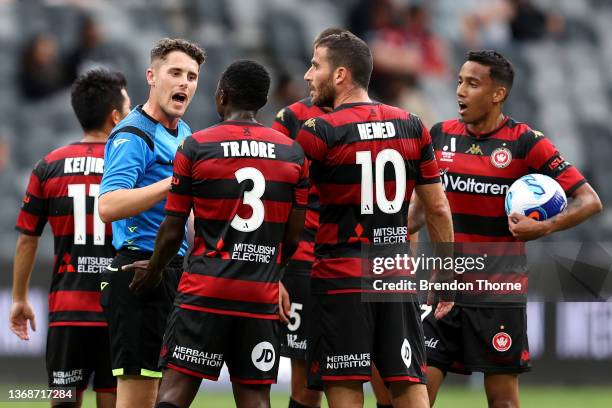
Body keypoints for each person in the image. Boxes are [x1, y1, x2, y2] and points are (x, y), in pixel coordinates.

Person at [410, 50, 602, 407]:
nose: (460, 92)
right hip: (443, 289)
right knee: (417, 392)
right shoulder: (439, 136)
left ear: (497, 94)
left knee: (503, 400)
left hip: (497, 293)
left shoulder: (526, 142)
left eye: (472, 83)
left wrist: (544, 227)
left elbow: (589, 200)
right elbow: (419, 213)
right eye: (459, 82)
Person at [126, 59, 308, 408]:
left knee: (174, 392)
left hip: (204, 292)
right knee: (255, 397)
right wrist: (271, 271)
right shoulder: (292, 153)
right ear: (263, 103)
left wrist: (154, 270)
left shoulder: (196, 147)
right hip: (259, 294)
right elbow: (294, 237)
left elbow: (172, 228)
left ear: (221, 95)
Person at [295, 32, 454, 408]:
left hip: (341, 280)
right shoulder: (413, 125)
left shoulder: (319, 132)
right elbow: (438, 208)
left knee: (346, 392)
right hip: (396, 279)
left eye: (316, 65)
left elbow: (287, 205)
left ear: (340, 75)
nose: (307, 75)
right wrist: (446, 274)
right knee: (409, 388)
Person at [11, 68, 131, 408]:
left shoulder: (48, 166)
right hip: (118, 312)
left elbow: (27, 238)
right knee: (114, 400)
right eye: (129, 108)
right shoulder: (132, 167)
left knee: (63, 402)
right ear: (116, 117)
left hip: (68, 312)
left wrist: (19, 297)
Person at [97, 38, 205, 408]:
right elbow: (108, 206)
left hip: (173, 269)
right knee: (139, 397)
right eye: (174, 73)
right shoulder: (133, 134)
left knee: (165, 396)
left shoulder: (185, 133)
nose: (184, 83)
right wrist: (170, 183)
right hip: (139, 269)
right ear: (152, 76)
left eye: (191, 76)